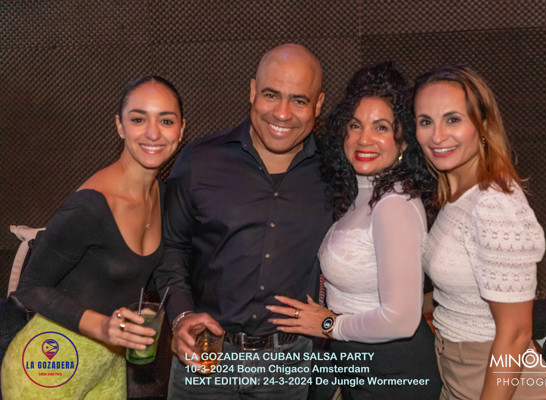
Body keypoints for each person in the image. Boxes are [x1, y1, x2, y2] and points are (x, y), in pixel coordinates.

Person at [153, 43, 332, 399]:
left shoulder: (336, 172)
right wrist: (181, 316)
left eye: (299, 100)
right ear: (252, 91)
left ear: (318, 104)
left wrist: (334, 322)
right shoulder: (200, 161)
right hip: (204, 354)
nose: (282, 113)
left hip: (287, 366)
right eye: (271, 95)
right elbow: (172, 247)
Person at [0, 75, 186, 399]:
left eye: (166, 121)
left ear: (181, 130)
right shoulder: (90, 206)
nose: (153, 133)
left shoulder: (162, 193)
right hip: (48, 368)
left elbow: (166, 271)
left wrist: (187, 316)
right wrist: (103, 326)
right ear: (120, 126)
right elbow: (30, 287)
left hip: (108, 365)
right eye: (138, 119)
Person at [268, 62, 442, 399]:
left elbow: (402, 320)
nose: (364, 138)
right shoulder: (362, 194)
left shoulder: (394, 205)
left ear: (403, 140)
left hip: (393, 370)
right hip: (359, 363)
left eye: (381, 127)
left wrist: (328, 324)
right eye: (355, 125)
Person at [413, 65, 546, 399]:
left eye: (452, 119)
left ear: (483, 125)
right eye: (425, 121)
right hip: (459, 370)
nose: (437, 136)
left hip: (498, 378)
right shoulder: (459, 194)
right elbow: (460, 292)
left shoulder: (493, 204)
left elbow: (516, 333)